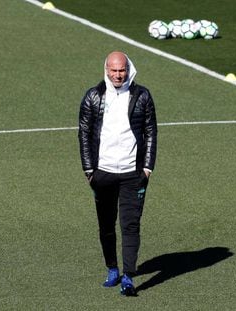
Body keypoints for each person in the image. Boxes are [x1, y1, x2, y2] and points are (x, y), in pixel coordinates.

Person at [78, 51, 157, 296]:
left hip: (133, 173)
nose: (117, 75)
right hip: (103, 173)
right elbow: (84, 133)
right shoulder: (93, 96)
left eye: (121, 70)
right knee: (106, 224)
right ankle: (112, 268)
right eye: (113, 70)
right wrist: (89, 169)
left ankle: (129, 277)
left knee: (131, 225)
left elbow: (151, 131)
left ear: (128, 69)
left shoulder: (142, 95)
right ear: (106, 70)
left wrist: (147, 167)